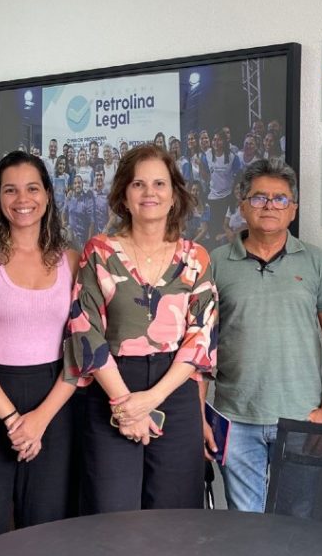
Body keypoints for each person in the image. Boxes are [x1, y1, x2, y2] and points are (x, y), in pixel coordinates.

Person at [64, 143, 217, 512]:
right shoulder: (98, 252)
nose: (150, 193)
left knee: (175, 520)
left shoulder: (196, 258)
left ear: (174, 195)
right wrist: (124, 404)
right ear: (124, 195)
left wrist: (150, 400)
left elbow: (201, 337)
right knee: (112, 515)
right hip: (111, 389)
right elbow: (85, 329)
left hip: (174, 392)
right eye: (138, 184)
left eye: (159, 184)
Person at [0, 152, 78, 546]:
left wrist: (39, 419)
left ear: (48, 195)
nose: (22, 199)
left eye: (32, 188)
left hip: (53, 404)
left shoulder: (72, 260)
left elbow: (81, 350)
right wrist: (12, 419)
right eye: (10, 190)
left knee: (47, 535)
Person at [209, 160, 322, 511]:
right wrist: (199, 414)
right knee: (246, 523)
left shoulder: (317, 262)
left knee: (295, 520)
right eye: (259, 198)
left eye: (280, 199)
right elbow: (199, 348)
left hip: (301, 418)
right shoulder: (215, 263)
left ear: (293, 209)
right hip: (236, 418)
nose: (269, 205)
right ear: (242, 207)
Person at [205, 132, 242, 246]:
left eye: (219, 139)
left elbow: (238, 175)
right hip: (213, 197)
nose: (216, 142)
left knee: (224, 227)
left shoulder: (232, 157)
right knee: (214, 229)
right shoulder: (207, 154)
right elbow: (205, 174)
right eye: (214, 139)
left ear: (225, 141)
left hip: (227, 196)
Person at [66, 174, 94, 251]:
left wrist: (88, 243)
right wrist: (65, 226)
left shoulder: (87, 200)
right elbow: (63, 213)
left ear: (82, 184)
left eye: (79, 183)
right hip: (70, 239)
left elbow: (92, 223)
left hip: (81, 241)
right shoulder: (69, 198)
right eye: (75, 183)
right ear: (73, 186)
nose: (77, 185)